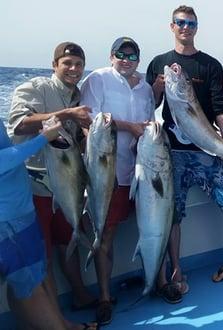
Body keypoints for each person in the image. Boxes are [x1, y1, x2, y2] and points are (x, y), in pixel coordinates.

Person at [146, 5, 223, 299]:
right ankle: (175, 270)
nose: (185, 27)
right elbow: (148, 106)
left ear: (196, 27)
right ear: (171, 26)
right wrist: (158, 89)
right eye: (180, 23)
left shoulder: (209, 65)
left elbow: (220, 109)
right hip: (173, 152)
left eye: (191, 23)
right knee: (173, 213)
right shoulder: (159, 62)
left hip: (208, 151)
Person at [7, 41, 97, 311]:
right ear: (54, 65)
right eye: (67, 63)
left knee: (67, 241)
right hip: (37, 188)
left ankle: (80, 295)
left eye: (78, 64)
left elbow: (77, 145)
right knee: (42, 254)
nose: (73, 69)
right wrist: (67, 114)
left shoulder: (79, 95)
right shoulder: (35, 88)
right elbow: (18, 123)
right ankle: (54, 318)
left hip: (69, 182)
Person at [80, 36, 154, 325]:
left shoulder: (146, 88)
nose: (126, 59)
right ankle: (104, 297)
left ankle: (157, 280)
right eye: (120, 54)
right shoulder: (98, 79)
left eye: (132, 55)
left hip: (140, 172)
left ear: (138, 59)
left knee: (152, 227)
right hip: (106, 173)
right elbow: (91, 120)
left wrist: (142, 134)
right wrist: (130, 127)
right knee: (106, 236)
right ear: (111, 56)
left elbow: (147, 126)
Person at [1, 118, 97, 330]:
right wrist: (44, 138)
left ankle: (61, 323)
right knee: (30, 286)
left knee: (26, 280)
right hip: (7, 222)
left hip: (21, 214)